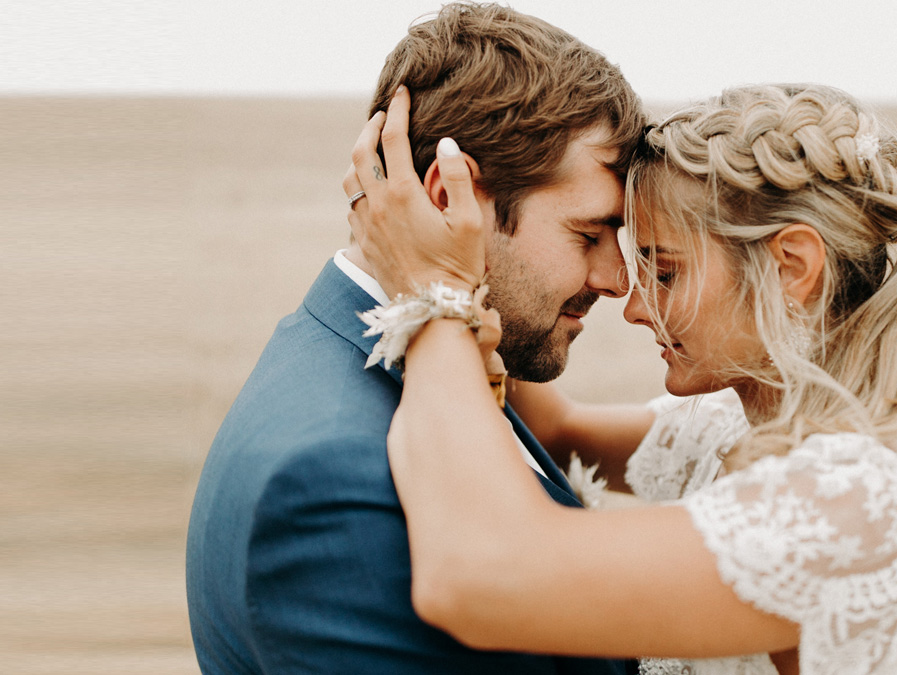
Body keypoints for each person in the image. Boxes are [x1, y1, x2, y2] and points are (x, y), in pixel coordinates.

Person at [344, 82, 897, 674]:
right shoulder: (720, 430)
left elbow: (476, 578)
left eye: (666, 272)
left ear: (792, 266)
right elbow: (555, 428)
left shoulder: (868, 512)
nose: (634, 306)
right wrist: (483, 238)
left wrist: (434, 289)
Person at [185, 4, 646, 673]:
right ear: (446, 198)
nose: (615, 278)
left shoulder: (435, 355)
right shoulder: (331, 486)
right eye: (588, 234)